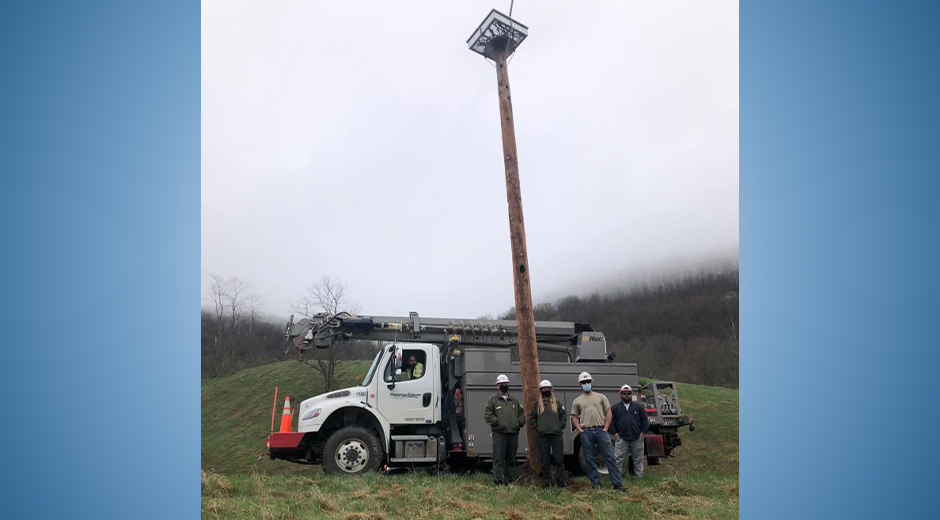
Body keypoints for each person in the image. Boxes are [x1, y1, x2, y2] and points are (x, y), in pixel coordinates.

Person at [571, 372, 624, 491]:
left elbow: (609, 412)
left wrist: (605, 428)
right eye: (584, 382)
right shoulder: (577, 401)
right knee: (589, 459)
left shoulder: (601, 397)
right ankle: (596, 484)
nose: (586, 384)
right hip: (586, 433)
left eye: (588, 382)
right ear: (580, 384)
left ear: (591, 382)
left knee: (610, 457)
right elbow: (574, 416)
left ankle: (617, 484)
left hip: (601, 431)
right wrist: (580, 430)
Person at [483, 374, 525, 485]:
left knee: (511, 459)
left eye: (505, 384)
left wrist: (518, 423)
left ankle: (509, 481)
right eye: (501, 384)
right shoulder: (492, 400)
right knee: (498, 459)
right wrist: (497, 422)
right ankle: (497, 481)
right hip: (499, 434)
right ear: (497, 386)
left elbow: (522, 415)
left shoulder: (514, 401)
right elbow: (487, 415)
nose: (504, 386)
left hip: (513, 433)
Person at [529, 380, 567, 488]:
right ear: (541, 391)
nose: (546, 391)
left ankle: (561, 482)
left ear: (551, 390)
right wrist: (538, 428)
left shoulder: (557, 404)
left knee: (559, 459)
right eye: (544, 389)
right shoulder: (537, 405)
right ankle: (547, 482)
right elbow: (532, 418)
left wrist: (560, 426)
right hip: (542, 436)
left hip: (556, 435)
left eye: (548, 389)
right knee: (545, 460)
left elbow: (563, 416)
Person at [611, 384, 650, 480]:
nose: (626, 395)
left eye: (628, 393)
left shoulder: (639, 407)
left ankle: (639, 478)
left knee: (638, 459)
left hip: (637, 438)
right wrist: (614, 433)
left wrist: (643, 433)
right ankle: (617, 479)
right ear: (620, 395)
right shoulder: (615, 408)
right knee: (618, 459)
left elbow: (645, 420)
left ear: (631, 394)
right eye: (624, 393)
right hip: (621, 438)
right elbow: (611, 422)